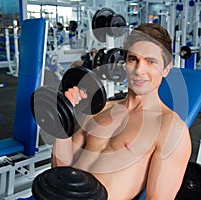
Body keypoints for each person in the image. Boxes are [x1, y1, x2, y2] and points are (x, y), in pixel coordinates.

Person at [52, 23, 191, 200]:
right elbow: (60, 171)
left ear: (166, 68)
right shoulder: (101, 109)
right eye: (133, 59)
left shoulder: (170, 129)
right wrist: (64, 120)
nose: (139, 70)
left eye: (151, 61)